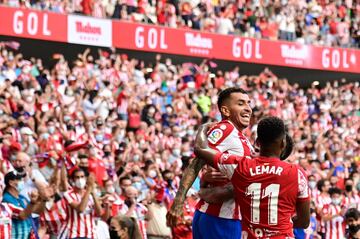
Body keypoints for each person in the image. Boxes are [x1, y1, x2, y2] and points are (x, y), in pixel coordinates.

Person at [194, 116, 311, 238]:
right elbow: (304, 222)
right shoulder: (297, 174)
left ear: (258, 142)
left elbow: (200, 149)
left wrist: (203, 127)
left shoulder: (241, 167)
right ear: (283, 143)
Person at [167, 87, 254, 239]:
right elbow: (197, 162)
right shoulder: (225, 129)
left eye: (248, 103)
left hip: (216, 217)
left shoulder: (241, 138)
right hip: (221, 219)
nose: (248, 108)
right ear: (225, 111)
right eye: (241, 103)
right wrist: (179, 201)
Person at [2, 171, 45, 239]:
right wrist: (32, 203)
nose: (22, 181)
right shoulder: (6, 198)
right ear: (11, 183)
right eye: (19, 179)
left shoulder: (22, 197)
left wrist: (43, 199)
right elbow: (22, 216)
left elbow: (37, 211)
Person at [63, 168, 103, 239]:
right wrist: (89, 189)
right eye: (77, 177)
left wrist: (93, 193)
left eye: (82, 177)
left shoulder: (90, 194)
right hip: (75, 234)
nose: (80, 179)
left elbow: (99, 213)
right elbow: (80, 209)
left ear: (86, 178)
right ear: (72, 180)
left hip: (91, 234)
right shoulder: (68, 194)